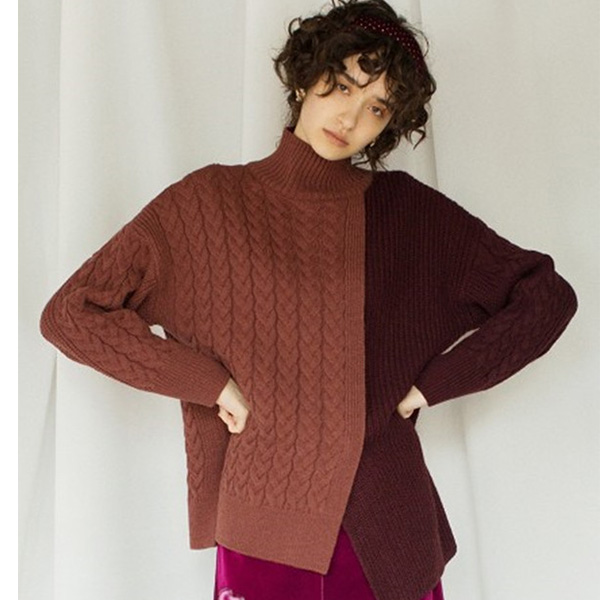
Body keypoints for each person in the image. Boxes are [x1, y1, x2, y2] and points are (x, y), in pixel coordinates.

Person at [39, 1, 578, 599]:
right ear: (305, 77)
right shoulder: (209, 202)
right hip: (263, 524)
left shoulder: (408, 215)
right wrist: (208, 383)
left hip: (385, 522)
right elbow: (72, 313)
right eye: (342, 85)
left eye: (377, 108)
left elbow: (546, 297)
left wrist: (434, 385)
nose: (350, 117)